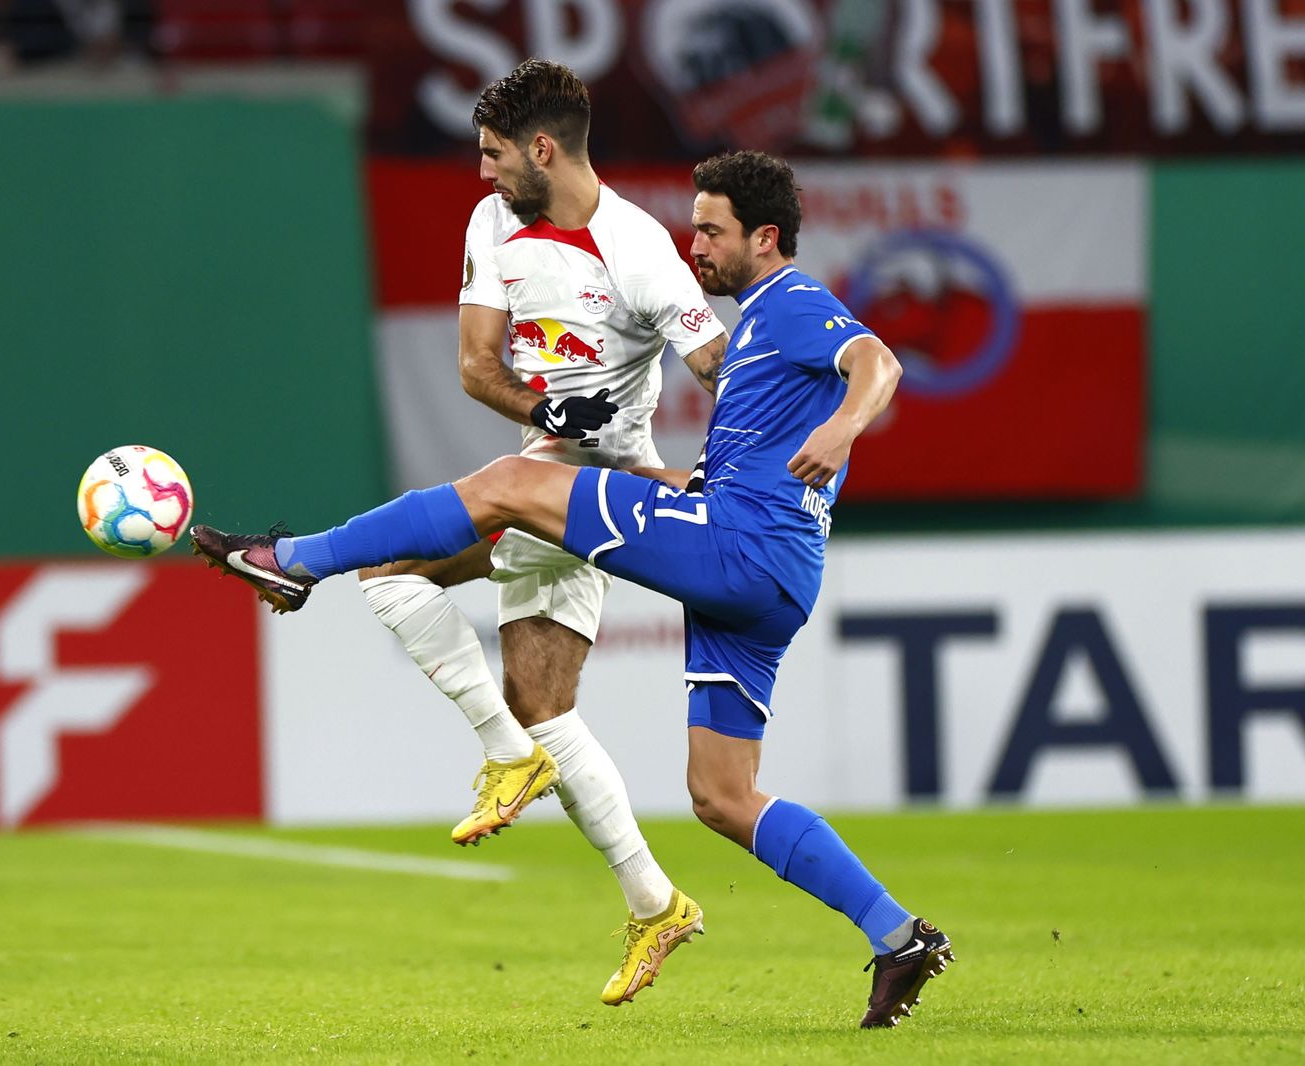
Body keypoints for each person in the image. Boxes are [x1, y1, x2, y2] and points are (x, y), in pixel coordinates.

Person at [192, 150, 953, 1029]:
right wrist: (654, 477)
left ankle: (293, 559)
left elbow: (880, 365)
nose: (695, 244)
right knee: (721, 795)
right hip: (764, 570)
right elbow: (727, 476)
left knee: (514, 484)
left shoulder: (790, 300)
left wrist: (843, 427)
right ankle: (899, 936)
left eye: (711, 229)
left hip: (744, 551)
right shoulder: (750, 336)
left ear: (765, 236)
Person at [355, 58, 728, 1005]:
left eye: (492, 155)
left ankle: (513, 764)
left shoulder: (640, 253)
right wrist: (546, 410)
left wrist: (730, 474)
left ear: (544, 149)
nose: (481, 173)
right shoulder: (494, 222)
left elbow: (723, 368)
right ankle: (654, 902)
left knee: (392, 569)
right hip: (540, 471)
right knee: (536, 698)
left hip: (602, 495)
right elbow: (479, 368)